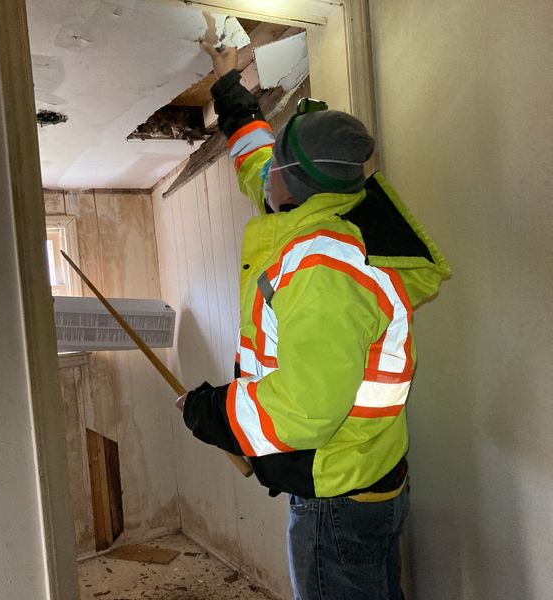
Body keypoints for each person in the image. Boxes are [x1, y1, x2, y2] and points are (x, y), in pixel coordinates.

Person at [176, 42, 451, 600]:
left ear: (293, 181)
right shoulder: (329, 206)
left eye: (276, 164)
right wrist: (229, 87)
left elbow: (304, 411)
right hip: (363, 470)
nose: (263, 175)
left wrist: (210, 411)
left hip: (337, 500)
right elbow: (258, 161)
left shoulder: (322, 272)